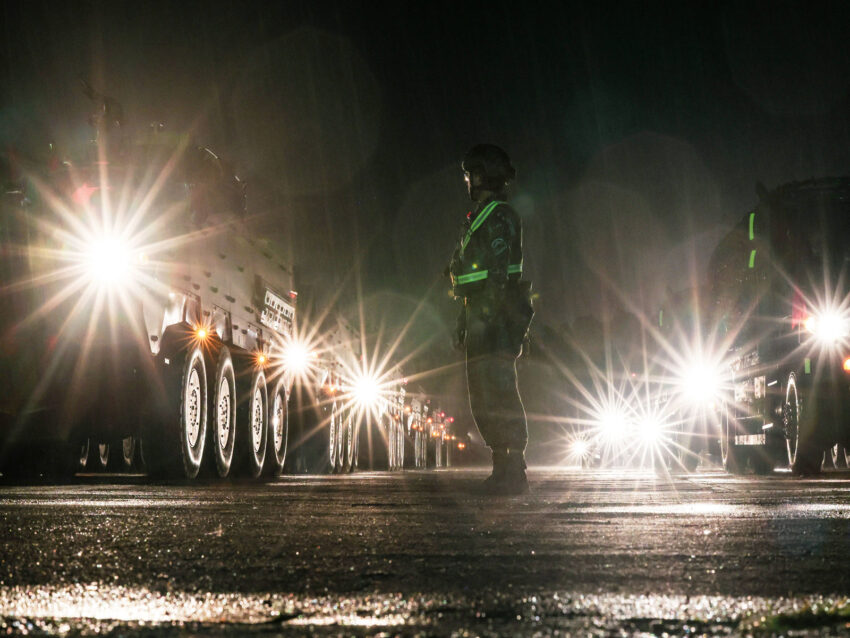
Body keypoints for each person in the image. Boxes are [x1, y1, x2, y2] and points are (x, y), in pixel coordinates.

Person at [448, 144, 534, 495]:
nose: (468, 181)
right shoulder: (481, 216)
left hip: (495, 318)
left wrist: (488, 316)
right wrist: (465, 319)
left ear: (483, 175)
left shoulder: (500, 216)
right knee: (483, 395)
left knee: (499, 392)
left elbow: (498, 275)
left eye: (470, 174)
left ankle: (512, 471)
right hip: (481, 314)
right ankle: (502, 469)